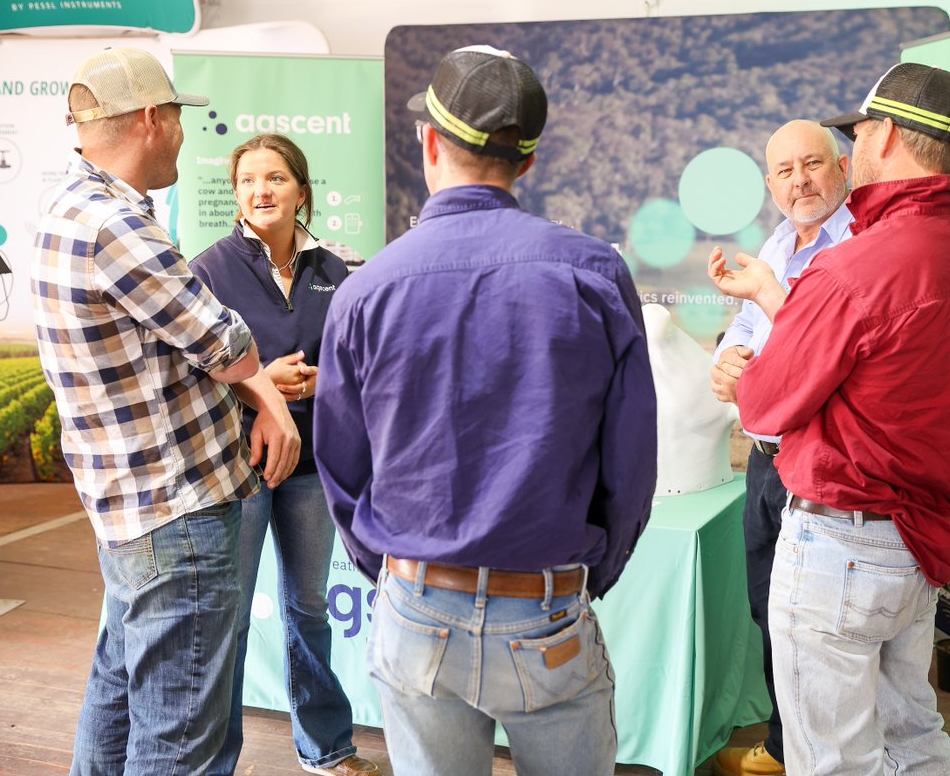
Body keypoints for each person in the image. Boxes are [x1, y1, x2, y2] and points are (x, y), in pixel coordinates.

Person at [313, 45, 657, 776]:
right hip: (548, 603)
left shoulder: (366, 289)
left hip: (415, 597)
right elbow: (632, 465)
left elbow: (341, 465)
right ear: (525, 163)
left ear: (429, 143)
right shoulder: (594, 272)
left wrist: (393, 567)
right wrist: (591, 571)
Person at [707, 63, 950, 775]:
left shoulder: (856, 267)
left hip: (844, 544)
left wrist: (757, 354)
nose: (858, 142)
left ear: (890, 135)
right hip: (916, 541)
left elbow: (764, 402)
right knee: (912, 735)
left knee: (834, 759)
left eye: (860, 130)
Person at [32, 47, 300, 775]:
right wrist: (272, 399)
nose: (184, 133)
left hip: (130, 513)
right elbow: (220, 336)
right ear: (153, 118)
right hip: (177, 516)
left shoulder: (65, 208)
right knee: (181, 740)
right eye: (178, 116)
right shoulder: (114, 224)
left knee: (117, 703)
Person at [190, 134, 378, 776]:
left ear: (302, 189)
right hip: (236, 465)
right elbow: (191, 369)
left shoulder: (341, 266)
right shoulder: (208, 269)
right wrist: (262, 382)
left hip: (309, 467)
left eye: (275, 178)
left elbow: (369, 358)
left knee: (308, 607)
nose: (260, 191)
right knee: (229, 619)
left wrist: (326, 380)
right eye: (247, 180)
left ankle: (326, 749)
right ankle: (216, 761)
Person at [709, 120, 852, 776]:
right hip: (766, 459)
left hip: (821, 462)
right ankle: (787, 744)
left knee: (817, 623)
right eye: (786, 171)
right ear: (769, 184)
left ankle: (819, 754)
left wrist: (768, 293)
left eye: (813, 164)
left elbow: (824, 348)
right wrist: (726, 359)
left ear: (844, 168)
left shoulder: (856, 245)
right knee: (769, 605)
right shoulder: (778, 241)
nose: (801, 180)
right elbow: (746, 324)